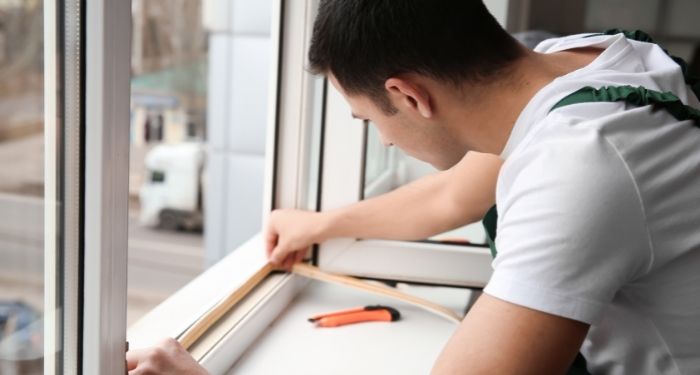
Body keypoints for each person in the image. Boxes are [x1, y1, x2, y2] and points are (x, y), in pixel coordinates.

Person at [129, 0, 700, 374]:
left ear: (409, 97)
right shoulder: (570, 62)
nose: (384, 141)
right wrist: (322, 224)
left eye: (368, 120)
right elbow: (453, 196)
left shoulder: (584, 163)